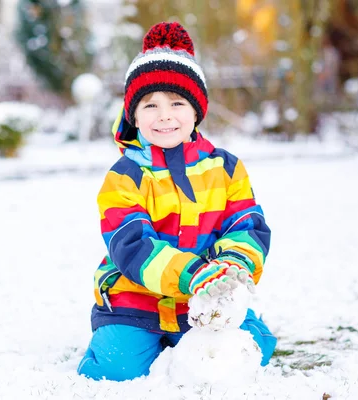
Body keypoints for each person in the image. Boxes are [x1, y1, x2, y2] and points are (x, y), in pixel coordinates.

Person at [77, 22, 276, 382]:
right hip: (134, 301)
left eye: (177, 103)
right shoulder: (124, 176)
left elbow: (246, 224)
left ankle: (205, 334)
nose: (164, 115)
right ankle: (135, 342)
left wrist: (231, 267)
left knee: (247, 353)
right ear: (132, 115)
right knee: (114, 368)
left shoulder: (226, 168)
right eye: (150, 105)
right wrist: (192, 274)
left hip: (205, 300)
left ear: (197, 111)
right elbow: (131, 243)